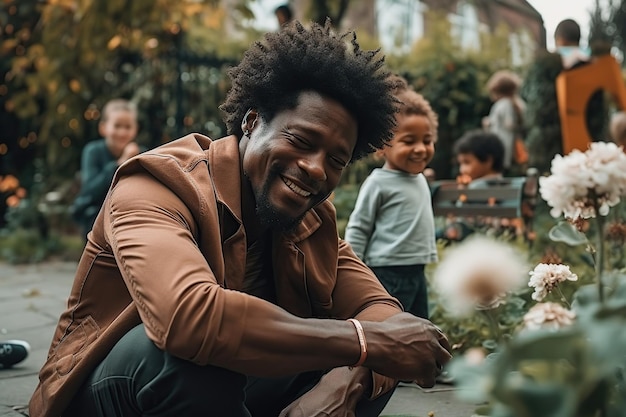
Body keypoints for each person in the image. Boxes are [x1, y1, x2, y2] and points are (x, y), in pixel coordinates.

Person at [30, 21, 451, 417]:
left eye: (336, 160)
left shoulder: (309, 218)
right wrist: (364, 343)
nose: (317, 169)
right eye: (301, 140)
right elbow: (187, 318)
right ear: (251, 121)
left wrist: (352, 372)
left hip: (229, 388)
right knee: (185, 362)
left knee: (383, 359)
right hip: (111, 390)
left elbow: (383, 313)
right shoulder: (156, 185)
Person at [344, 75, 438, 320]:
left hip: (416, 270)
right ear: (382, 146)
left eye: (427, 141)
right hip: (387, 272)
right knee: (389, 327)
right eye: (409, 141)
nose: (420, 148)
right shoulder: (378, 182)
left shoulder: (419, 179)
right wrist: (354, 274)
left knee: (419, 325)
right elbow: (359, 227)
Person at [70, 99, 140, 236]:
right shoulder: (93, 151)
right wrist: (120, 164)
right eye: (117, 126)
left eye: (127, 127)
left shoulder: (141, 153)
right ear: (103, 128)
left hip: (127, 213)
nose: (122, 132)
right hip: (96, 213)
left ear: (135, 129)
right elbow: (90, 189)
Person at [483, 70, 526, 175]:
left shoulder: (502, 104)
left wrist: (489, 123)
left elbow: (509, 123)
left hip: (501, 145)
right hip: (511, 147)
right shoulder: (518, 103)